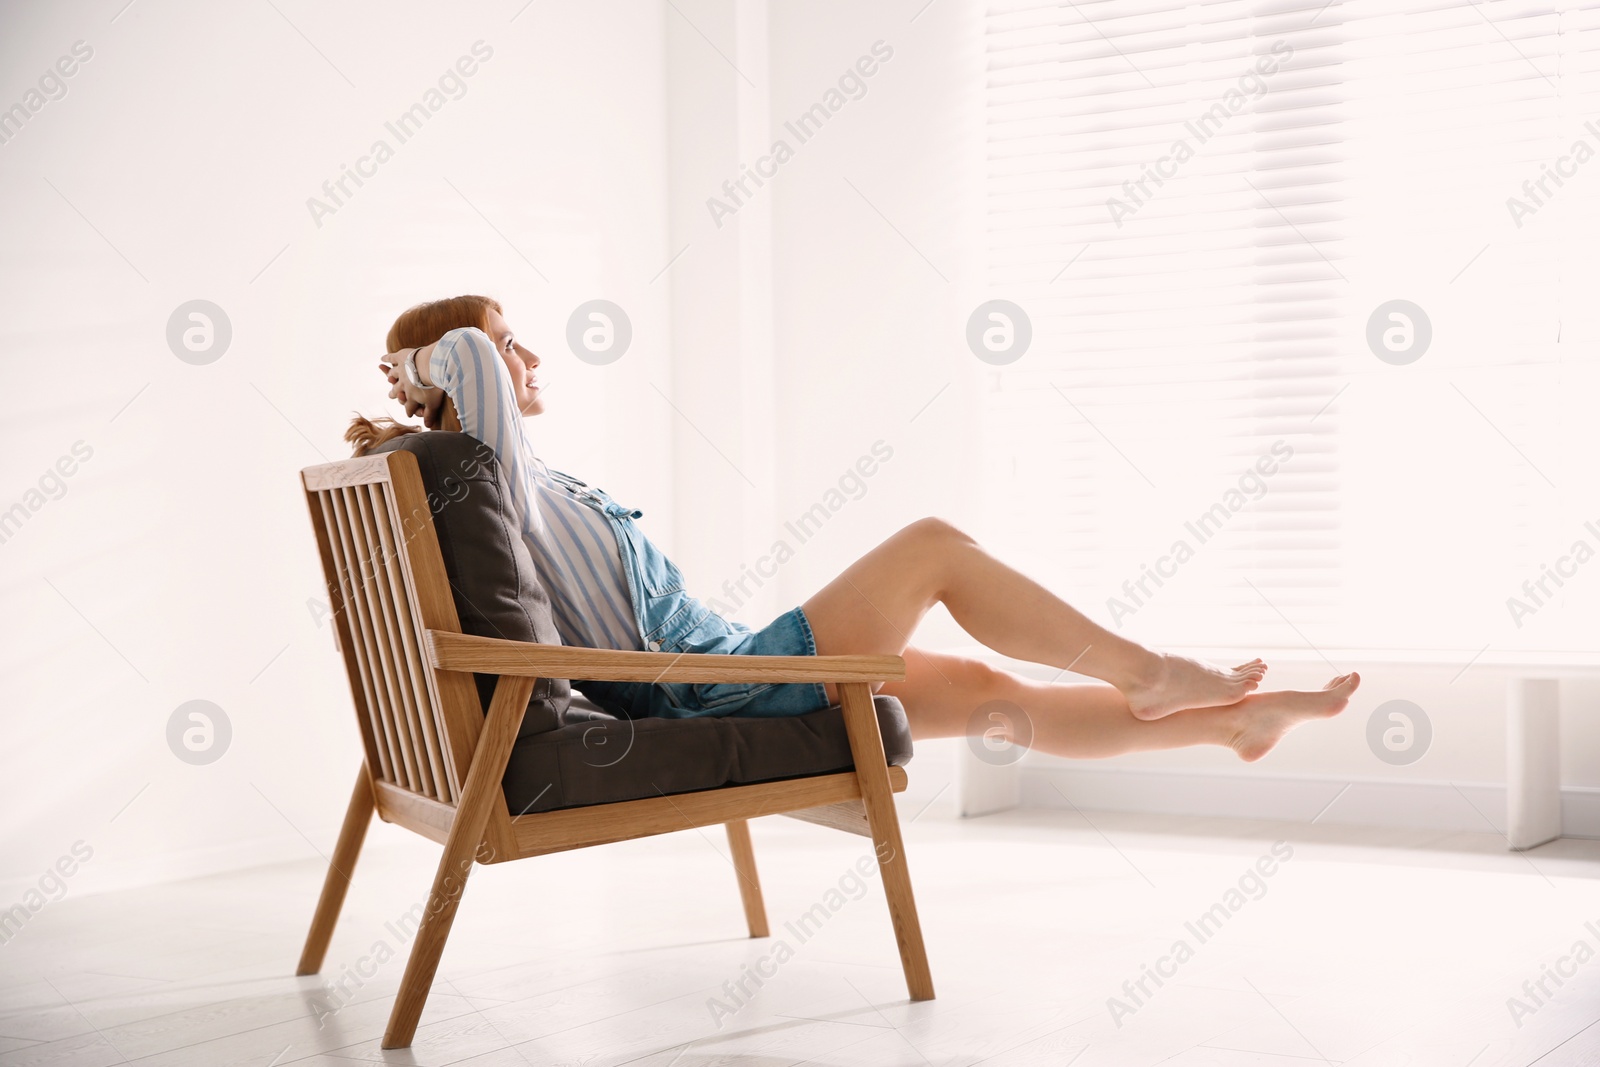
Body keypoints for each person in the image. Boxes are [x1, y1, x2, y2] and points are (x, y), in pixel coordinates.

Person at [355, 294, 1359, 762]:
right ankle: (1145, 670)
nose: (528, 354)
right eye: (503, 343)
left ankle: (1233, 723)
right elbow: (470, 373)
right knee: (931, 545)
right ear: (453, 371)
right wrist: (429, 356)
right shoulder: (486, 473)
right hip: (709, 695)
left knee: (987, 690)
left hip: (720, 666)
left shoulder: (512, 480)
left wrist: (444, 359)